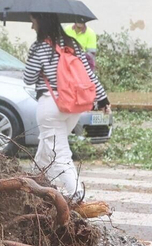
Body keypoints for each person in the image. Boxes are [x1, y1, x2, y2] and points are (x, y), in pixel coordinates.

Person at [24, 13, 108, 199]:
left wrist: (34, 62)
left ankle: (78, 195)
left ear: (42, 22)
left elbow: (28, 78)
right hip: (73, 106)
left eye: (33, 22)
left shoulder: (39, 47)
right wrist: (102, 99)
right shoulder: (73, 44)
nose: (32, 27)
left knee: (59, 154)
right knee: (47, 151)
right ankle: (32, 187)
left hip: (51, 105)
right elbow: (89, 74)